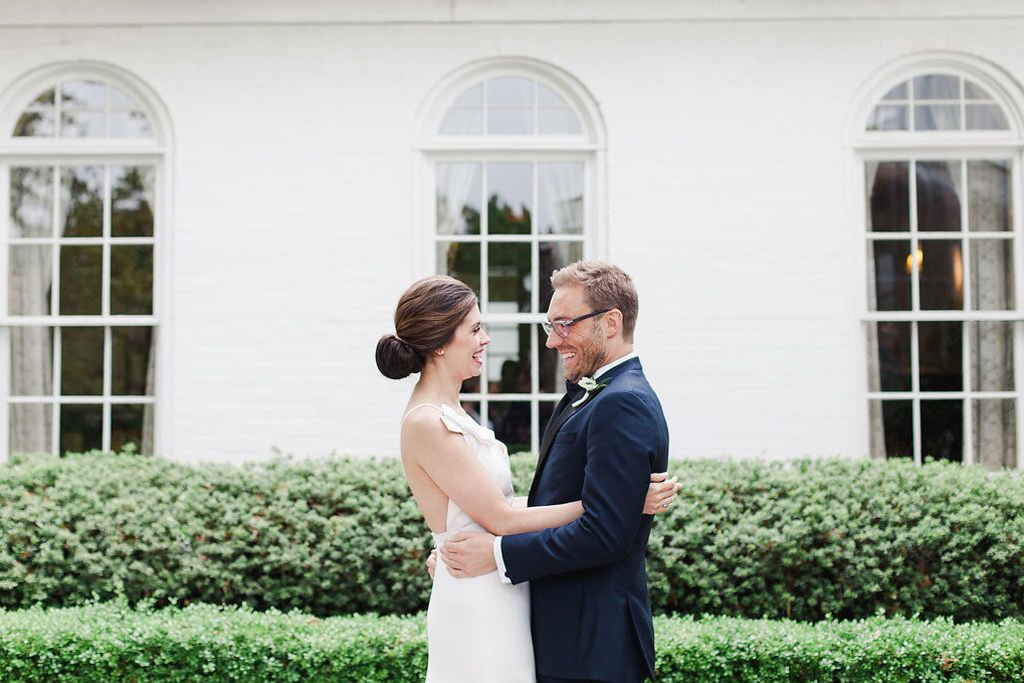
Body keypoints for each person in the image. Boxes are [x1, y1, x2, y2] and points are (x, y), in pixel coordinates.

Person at [376, 274, 677, 683]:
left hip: (578, 634)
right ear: (441, 342)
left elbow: (514, 514)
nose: (552, 340)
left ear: (610, 323)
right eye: (476, 328)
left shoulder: (618, 399)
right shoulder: (430, 420)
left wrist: (489, 550)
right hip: (486, 595)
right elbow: (500, 516)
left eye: (564, 324)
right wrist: (621, 502)